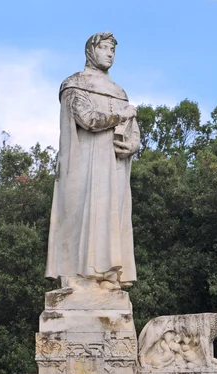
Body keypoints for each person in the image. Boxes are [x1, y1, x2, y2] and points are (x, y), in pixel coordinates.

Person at [46, 31, 140, 290]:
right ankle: (77, 279)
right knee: (80, 215)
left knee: (110, 216)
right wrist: (120, 116)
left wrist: (132, 144)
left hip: (112, 168)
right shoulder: (74, 84)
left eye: (113, 49)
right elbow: (86, 118)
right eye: (105, 48)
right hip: (83, 164)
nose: (110, 53)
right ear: (91, 50)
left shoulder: (119, 92)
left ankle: (108, 277)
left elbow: (133, 131)